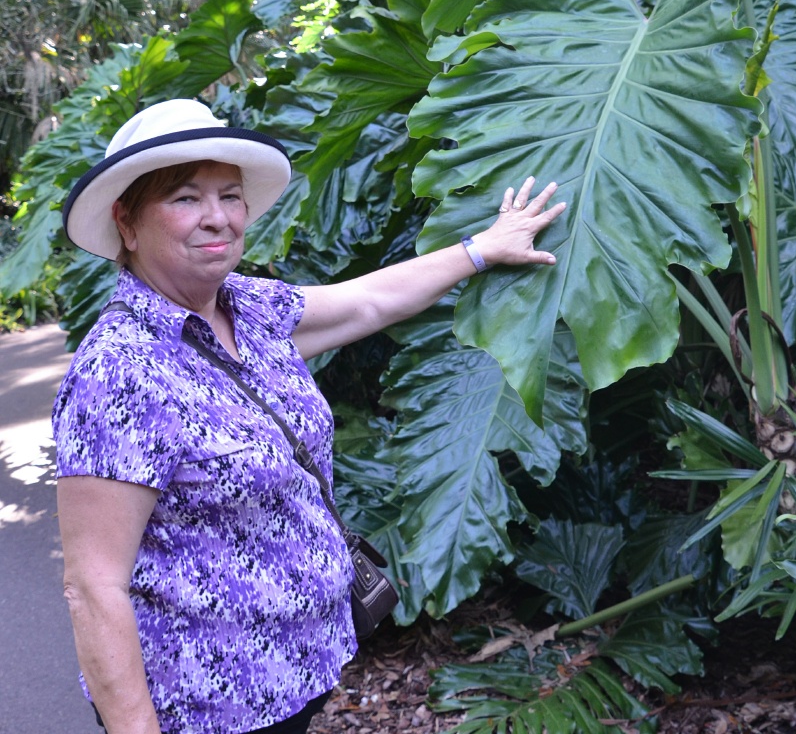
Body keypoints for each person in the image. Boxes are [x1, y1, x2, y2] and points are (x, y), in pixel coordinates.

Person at [53, 98, 566, 734]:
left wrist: (483, 249)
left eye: (231, 196)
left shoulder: (251, 308)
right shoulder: (117, 371)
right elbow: (94, 587)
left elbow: (368, 303)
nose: (218, 218)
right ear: (126, 222)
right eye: (186, 198)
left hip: (300, 674)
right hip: (209, 708)